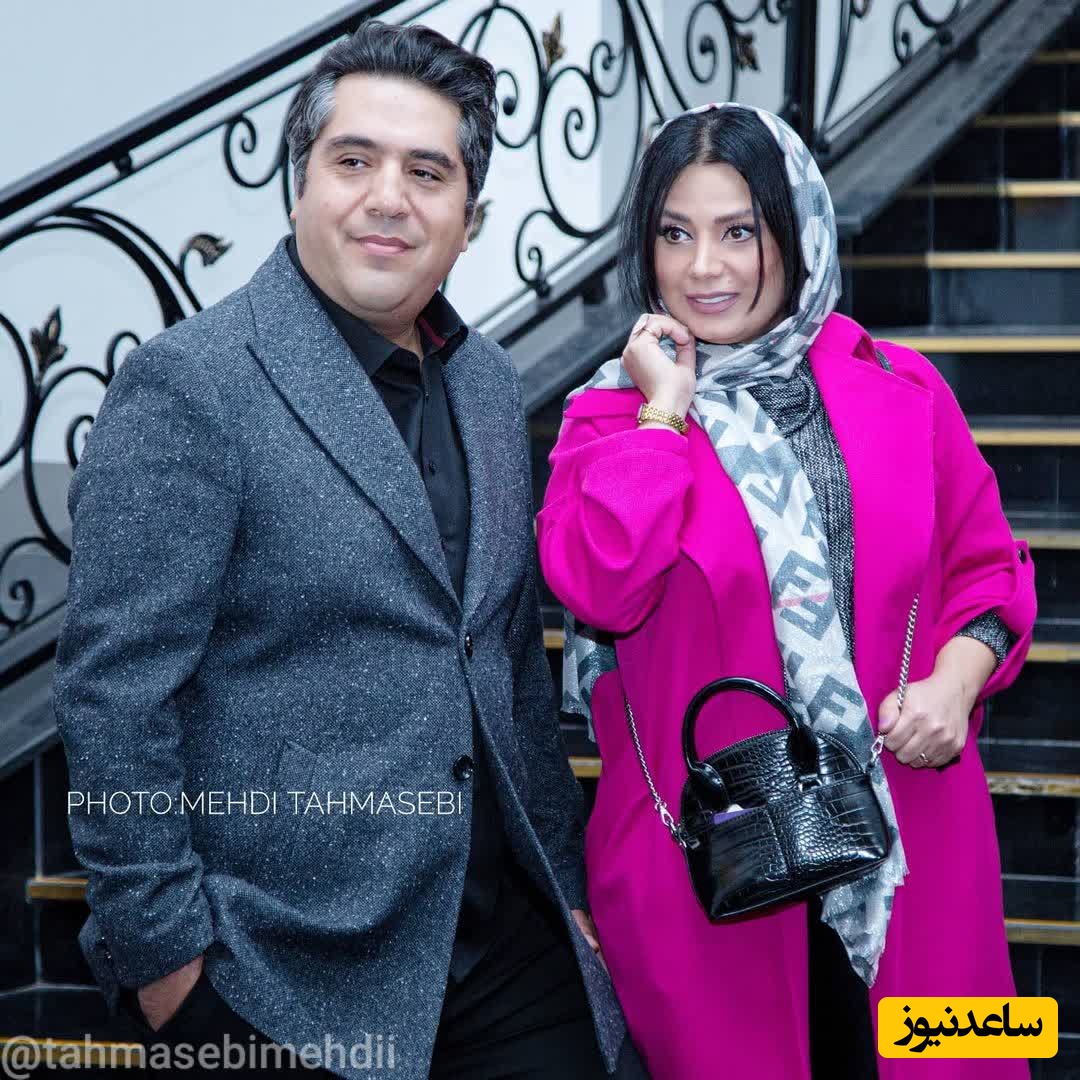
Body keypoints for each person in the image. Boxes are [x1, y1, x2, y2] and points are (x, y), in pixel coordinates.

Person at [52, 20, 646, 1080]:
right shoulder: (191, 386)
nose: (388, 198)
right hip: (281, 974)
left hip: (504, 953)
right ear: (300, 188)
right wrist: (168, 970)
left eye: (427, 172)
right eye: (354, 161)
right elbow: (115, 698)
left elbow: (510, 664)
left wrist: (568, 890)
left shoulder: (488, 381)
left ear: (468, 218)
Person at [536, 101, 1037, 1080]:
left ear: (795, 231)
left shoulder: (902, 385)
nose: (704, 269)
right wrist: (663, 416)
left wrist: (955, 682)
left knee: (953, 1061)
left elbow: (990, 571)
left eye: (738, 232)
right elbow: (603, 588)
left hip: (916, 836)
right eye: (674, 234)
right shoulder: (606, 418)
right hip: (711, 867)